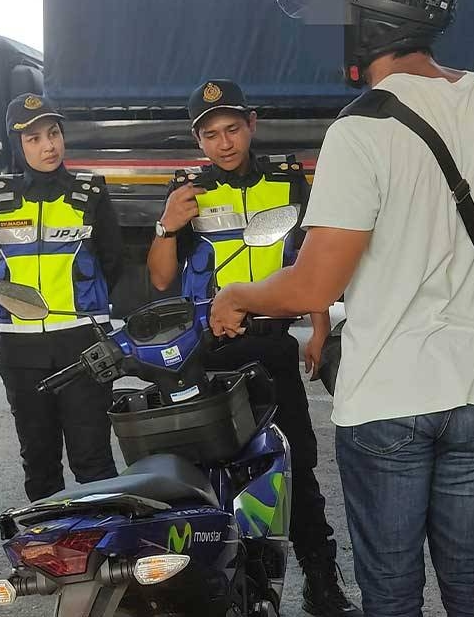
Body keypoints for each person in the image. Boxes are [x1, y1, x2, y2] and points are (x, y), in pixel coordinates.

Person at [212, 0, 474, 615]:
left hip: (388, 396)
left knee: (392, 592)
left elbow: (310, 286)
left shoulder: (362, 128)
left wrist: (237, 294)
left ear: (371, 20)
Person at [147, 79, 359, 616]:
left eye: (233, 129)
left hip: (272, 345)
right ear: (199, 140)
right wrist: (167, 226)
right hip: (211, 353)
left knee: (297, 464)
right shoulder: (188, 192)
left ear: (252, 125)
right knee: (213, 470)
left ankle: (319, 578)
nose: (224, 143)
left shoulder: (288, 182)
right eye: (211, 134)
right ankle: (218, 582)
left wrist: (319, 327)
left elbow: (312, 260)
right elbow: (160, 279)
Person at [0, 93, 122, 502]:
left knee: (93, 461)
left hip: (82, 344)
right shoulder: (0, 196)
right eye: (34, 139)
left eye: (54, 133)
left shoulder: (90, 192)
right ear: (17, 145)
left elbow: (112, 262)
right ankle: (52, 554)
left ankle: (104, 551)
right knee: (39, 463)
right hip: (18, 348)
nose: (48, 146)